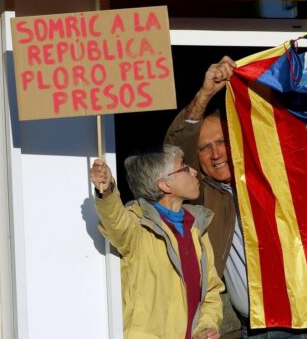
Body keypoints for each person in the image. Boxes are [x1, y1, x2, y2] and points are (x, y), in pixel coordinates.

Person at [165, 13, 307, 339]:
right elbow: (174, 146)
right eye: (205, 148)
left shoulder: (274, 174)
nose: (216, 154)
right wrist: (205, 94)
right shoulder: (201, 195)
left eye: (222, 143)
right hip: (252, 329)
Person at [90, 145, 224, 339]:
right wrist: (107, 189)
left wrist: (206, 327)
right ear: (165, 185)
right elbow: (115, 221)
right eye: (184, 167)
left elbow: (211, 291)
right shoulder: (138, 226)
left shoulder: (197, 226)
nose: (194, 171)